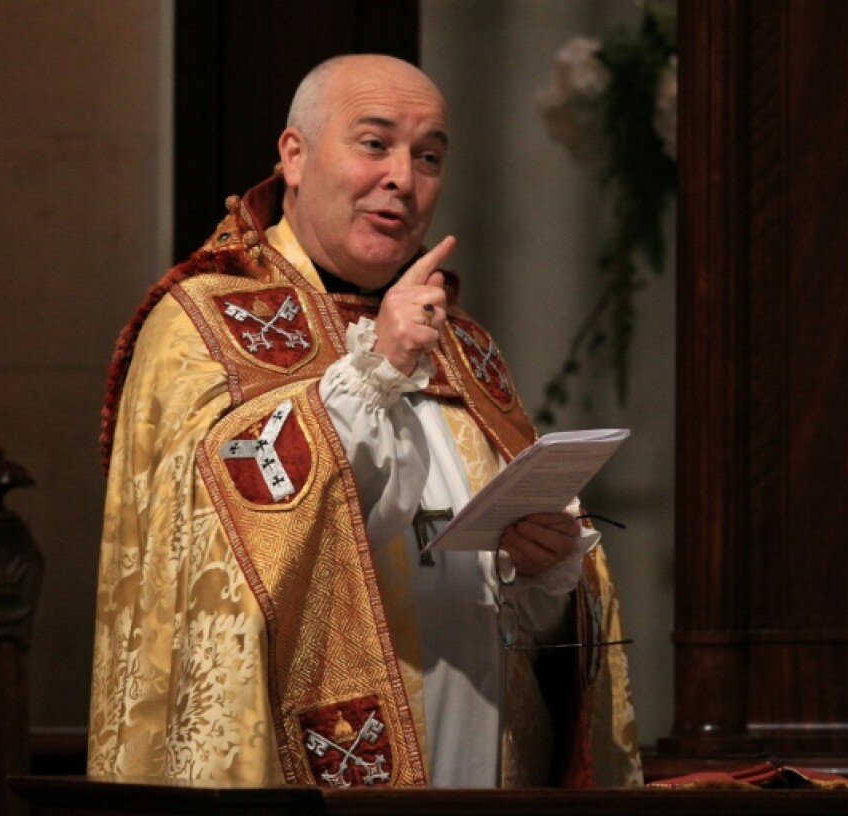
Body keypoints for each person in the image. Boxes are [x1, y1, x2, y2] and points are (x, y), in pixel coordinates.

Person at [88, 53, 640, 789]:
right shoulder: (200, 324)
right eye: (375, 143)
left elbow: (528, 636)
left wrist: (544, 579)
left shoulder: (463, 346)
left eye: (429, 157)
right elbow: (210, 554)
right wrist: (373, 371)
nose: (402, 179)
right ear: (294, 155)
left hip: (486, 772)